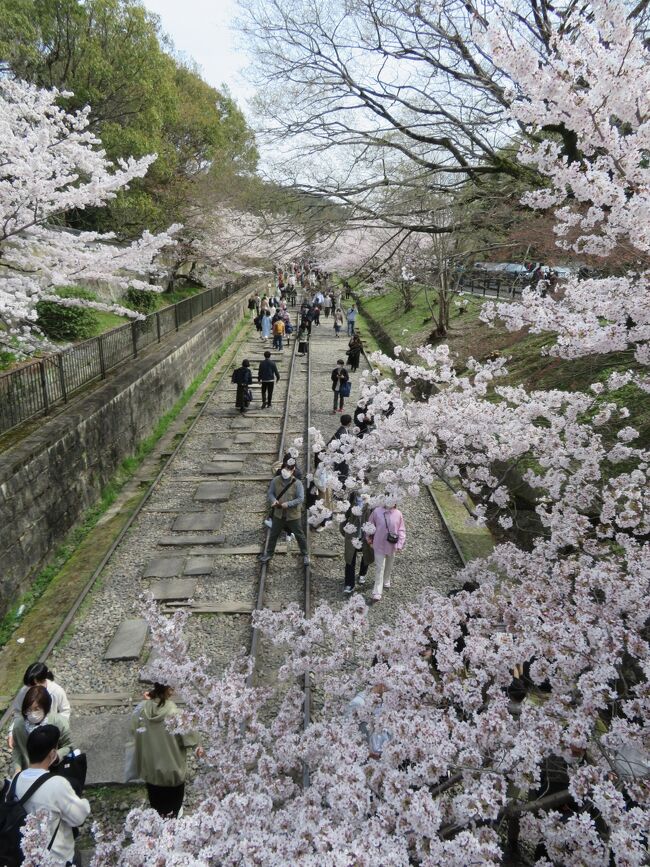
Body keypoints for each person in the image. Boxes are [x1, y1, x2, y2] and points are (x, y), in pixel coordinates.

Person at [11, 725, 90, 866]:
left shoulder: (15, 780)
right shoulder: (57, 784)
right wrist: (82, 799)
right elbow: (79, 817)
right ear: (53, 754)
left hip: (26, 857)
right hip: (57, 858)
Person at [131, 683, 202, 818]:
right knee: (173, 810)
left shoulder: (142, 711)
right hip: (172, 774)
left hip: (151, 771)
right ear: (169, 690)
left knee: (157, 808)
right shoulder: (175, 715)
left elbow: (134, 729)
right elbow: (192, 739)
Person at [8, 663, 70, 750]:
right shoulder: (23, 692)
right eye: (29, 687)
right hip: (30, 732)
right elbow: (18, 713)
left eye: (34, 687)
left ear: (43, 681)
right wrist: (12, 733)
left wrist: (58, 728)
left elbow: (65, 711)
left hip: (51, 731)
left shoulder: (57, 691)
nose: (31, 690)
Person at [12, 686, 73, 772]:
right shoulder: (19, 726)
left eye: (37, 709)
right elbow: (17, 748)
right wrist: (17, 768)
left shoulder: (59, 723)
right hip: (29, 771)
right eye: (28, 710)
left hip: (54, 770)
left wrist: (56, 756)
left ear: (46, 707)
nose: (32, 714)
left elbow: (69, 745)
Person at [260, 461, 310, 565]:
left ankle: (305, 554)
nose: (285, 471)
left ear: (293, 471)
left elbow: (300, 498)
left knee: (299, 535)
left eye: (289, 469)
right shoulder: (275, 480)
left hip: (293, 515)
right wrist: (273, 500)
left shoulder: (297, 483)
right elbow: (270, 493)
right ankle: (269, 554)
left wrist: (288, 504)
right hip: (278, 514)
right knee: (273, 534)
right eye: (284, 469)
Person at [368, 498, 406, 602]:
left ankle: (386, 579)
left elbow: (401, 530)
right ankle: (377, 591)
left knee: (389, 564)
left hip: (392, 545)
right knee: (380, 568)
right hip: (378, 544)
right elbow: (370, 525)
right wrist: (369, 539)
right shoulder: (376, 511)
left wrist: (400, 544)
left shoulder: (398, 514)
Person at [341, 496, 373, 594]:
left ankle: (362, 573)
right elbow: (344, 518)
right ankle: (349, 583)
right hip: (352, 535)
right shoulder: (352, 498)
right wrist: (345, 532)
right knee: (350, 558)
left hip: (365, 534)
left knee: (366, 554)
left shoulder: (372, 502)